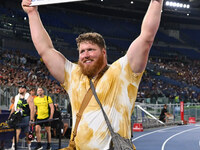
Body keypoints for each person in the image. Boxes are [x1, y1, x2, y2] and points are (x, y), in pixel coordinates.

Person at [21, 0, 163, 149]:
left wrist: (156, 2)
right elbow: (45, 49)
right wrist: (32, 13)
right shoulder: (73, 75)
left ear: (103, 52)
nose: (85, 55)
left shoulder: (122, 72)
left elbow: (146, 37)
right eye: (82, 51)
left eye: (90, 50)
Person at [8, 85, 35, 150]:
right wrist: (10, 116)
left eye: (22, 88)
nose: (20, 89)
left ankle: (29, 147)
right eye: (19, 88)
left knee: (27, 133)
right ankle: (13, 147)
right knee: (17, 132)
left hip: (26, 117)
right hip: (18, 117)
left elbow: (32, 109)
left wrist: (31, 119)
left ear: (25, 89)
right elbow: (14, 107)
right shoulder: (17, 97)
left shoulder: (29, 97)